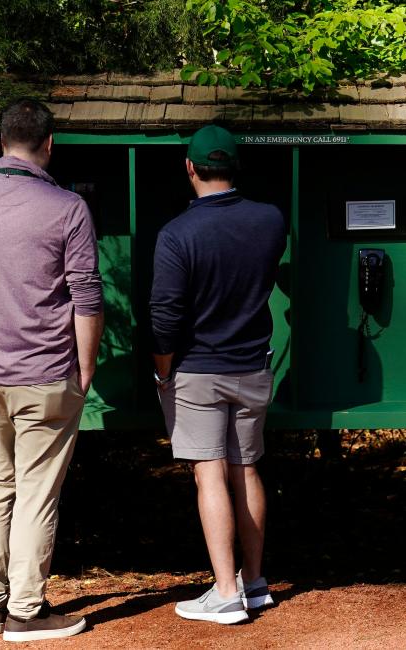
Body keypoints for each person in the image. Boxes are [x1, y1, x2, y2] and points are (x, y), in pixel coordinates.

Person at [0, 98, 103, 641]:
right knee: (36, 491)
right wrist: (85, 368)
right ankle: (27, 612)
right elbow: (87, 295)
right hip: (46, 374)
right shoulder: (68, 209)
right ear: (50, 144)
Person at [150, 125, 286, 625]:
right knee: (245, 468)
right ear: (234, 168)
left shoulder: (176, 234)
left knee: (209, 473)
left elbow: (165, 318)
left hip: (197, 372)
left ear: (190, 168)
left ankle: (226, 593)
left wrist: (162, 374)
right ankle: (253, 582)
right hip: (252, 367)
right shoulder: (270, 220)